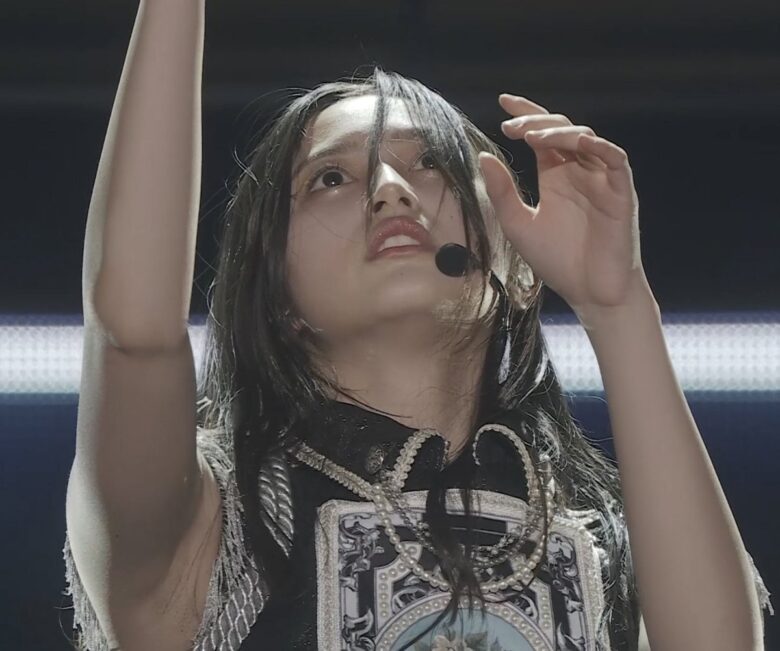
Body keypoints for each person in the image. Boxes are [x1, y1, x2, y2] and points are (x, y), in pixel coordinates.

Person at [61, 1, 773, 650]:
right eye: (330, 178)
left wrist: (618, 307)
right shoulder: (218, 520)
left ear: (518, 263)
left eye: (431, 162)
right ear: (276, 295)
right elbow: (132, 333)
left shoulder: (604, 541)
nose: (392, 190)